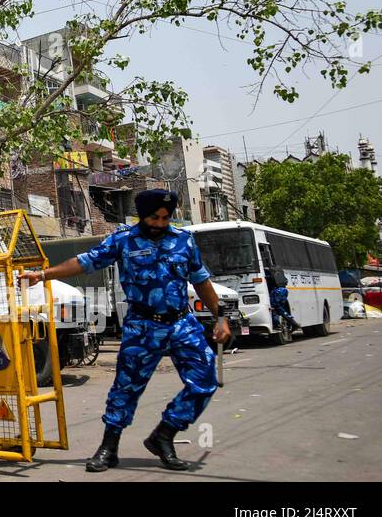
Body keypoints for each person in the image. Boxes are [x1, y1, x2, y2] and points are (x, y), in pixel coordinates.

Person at [25, 189, 229, 472]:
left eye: (166, 217)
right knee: (126, 388)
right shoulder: (123, 240)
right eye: (154, 217)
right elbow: (84, 263)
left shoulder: (184, 240)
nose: (160, 223)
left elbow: (201, 281)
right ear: (142, 215)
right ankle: (109, 448)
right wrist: (43, 274)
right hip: (142, 325)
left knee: (206, 380)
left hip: (182, 323)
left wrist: (221, 317)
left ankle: (164, 435)